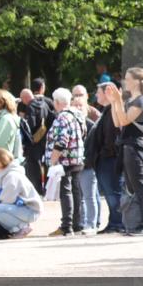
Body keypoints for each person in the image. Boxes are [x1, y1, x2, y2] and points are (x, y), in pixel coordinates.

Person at [104, 68, 143, 235]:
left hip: (136, 148)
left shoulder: (140, 101)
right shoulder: (133, 101)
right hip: (128, 147)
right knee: (134, 187)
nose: (125, 81)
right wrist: (114, 101)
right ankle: (141, 223)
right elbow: (117, 123)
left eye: (128, 78)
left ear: (137, 81)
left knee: (141, 187)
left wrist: (118, 100)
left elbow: (123, 119)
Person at [44, 88, 87, 237]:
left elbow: (62, 140)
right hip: (77, 158)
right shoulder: (78, 114)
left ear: (57, 102)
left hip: (65, 160)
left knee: (66, 192)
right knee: (75, 191)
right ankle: (77, 225)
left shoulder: (62, 117)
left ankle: (66, 226)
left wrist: (53, 159)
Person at [88, 83, 126, 234]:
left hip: (110, 158)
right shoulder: (107, 110)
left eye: (98, 92)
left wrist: (105, 152)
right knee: (110, 193)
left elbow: (112, 136)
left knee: (113, 192)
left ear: (107, 93)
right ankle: (114, 222)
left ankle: (118, 223)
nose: (96, 96)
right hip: (105, 158)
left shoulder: (113, 110)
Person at [0, 148, 42, 238]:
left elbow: (8, 199)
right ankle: (17, 228)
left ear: (0, 161)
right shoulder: (6, 174)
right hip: (24, 209)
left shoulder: (11, 175)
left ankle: (22, 227)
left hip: (31, 210)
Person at [72, 87, 100, 232]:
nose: (77, 108)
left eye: (80, 106)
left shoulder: (91, 125)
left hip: (88, 165)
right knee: (80, 196)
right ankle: (82, 222)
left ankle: (92, 223)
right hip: (75, 165)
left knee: (89, 196)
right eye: (75, 105)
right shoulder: (71, 124)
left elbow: (95, 146)